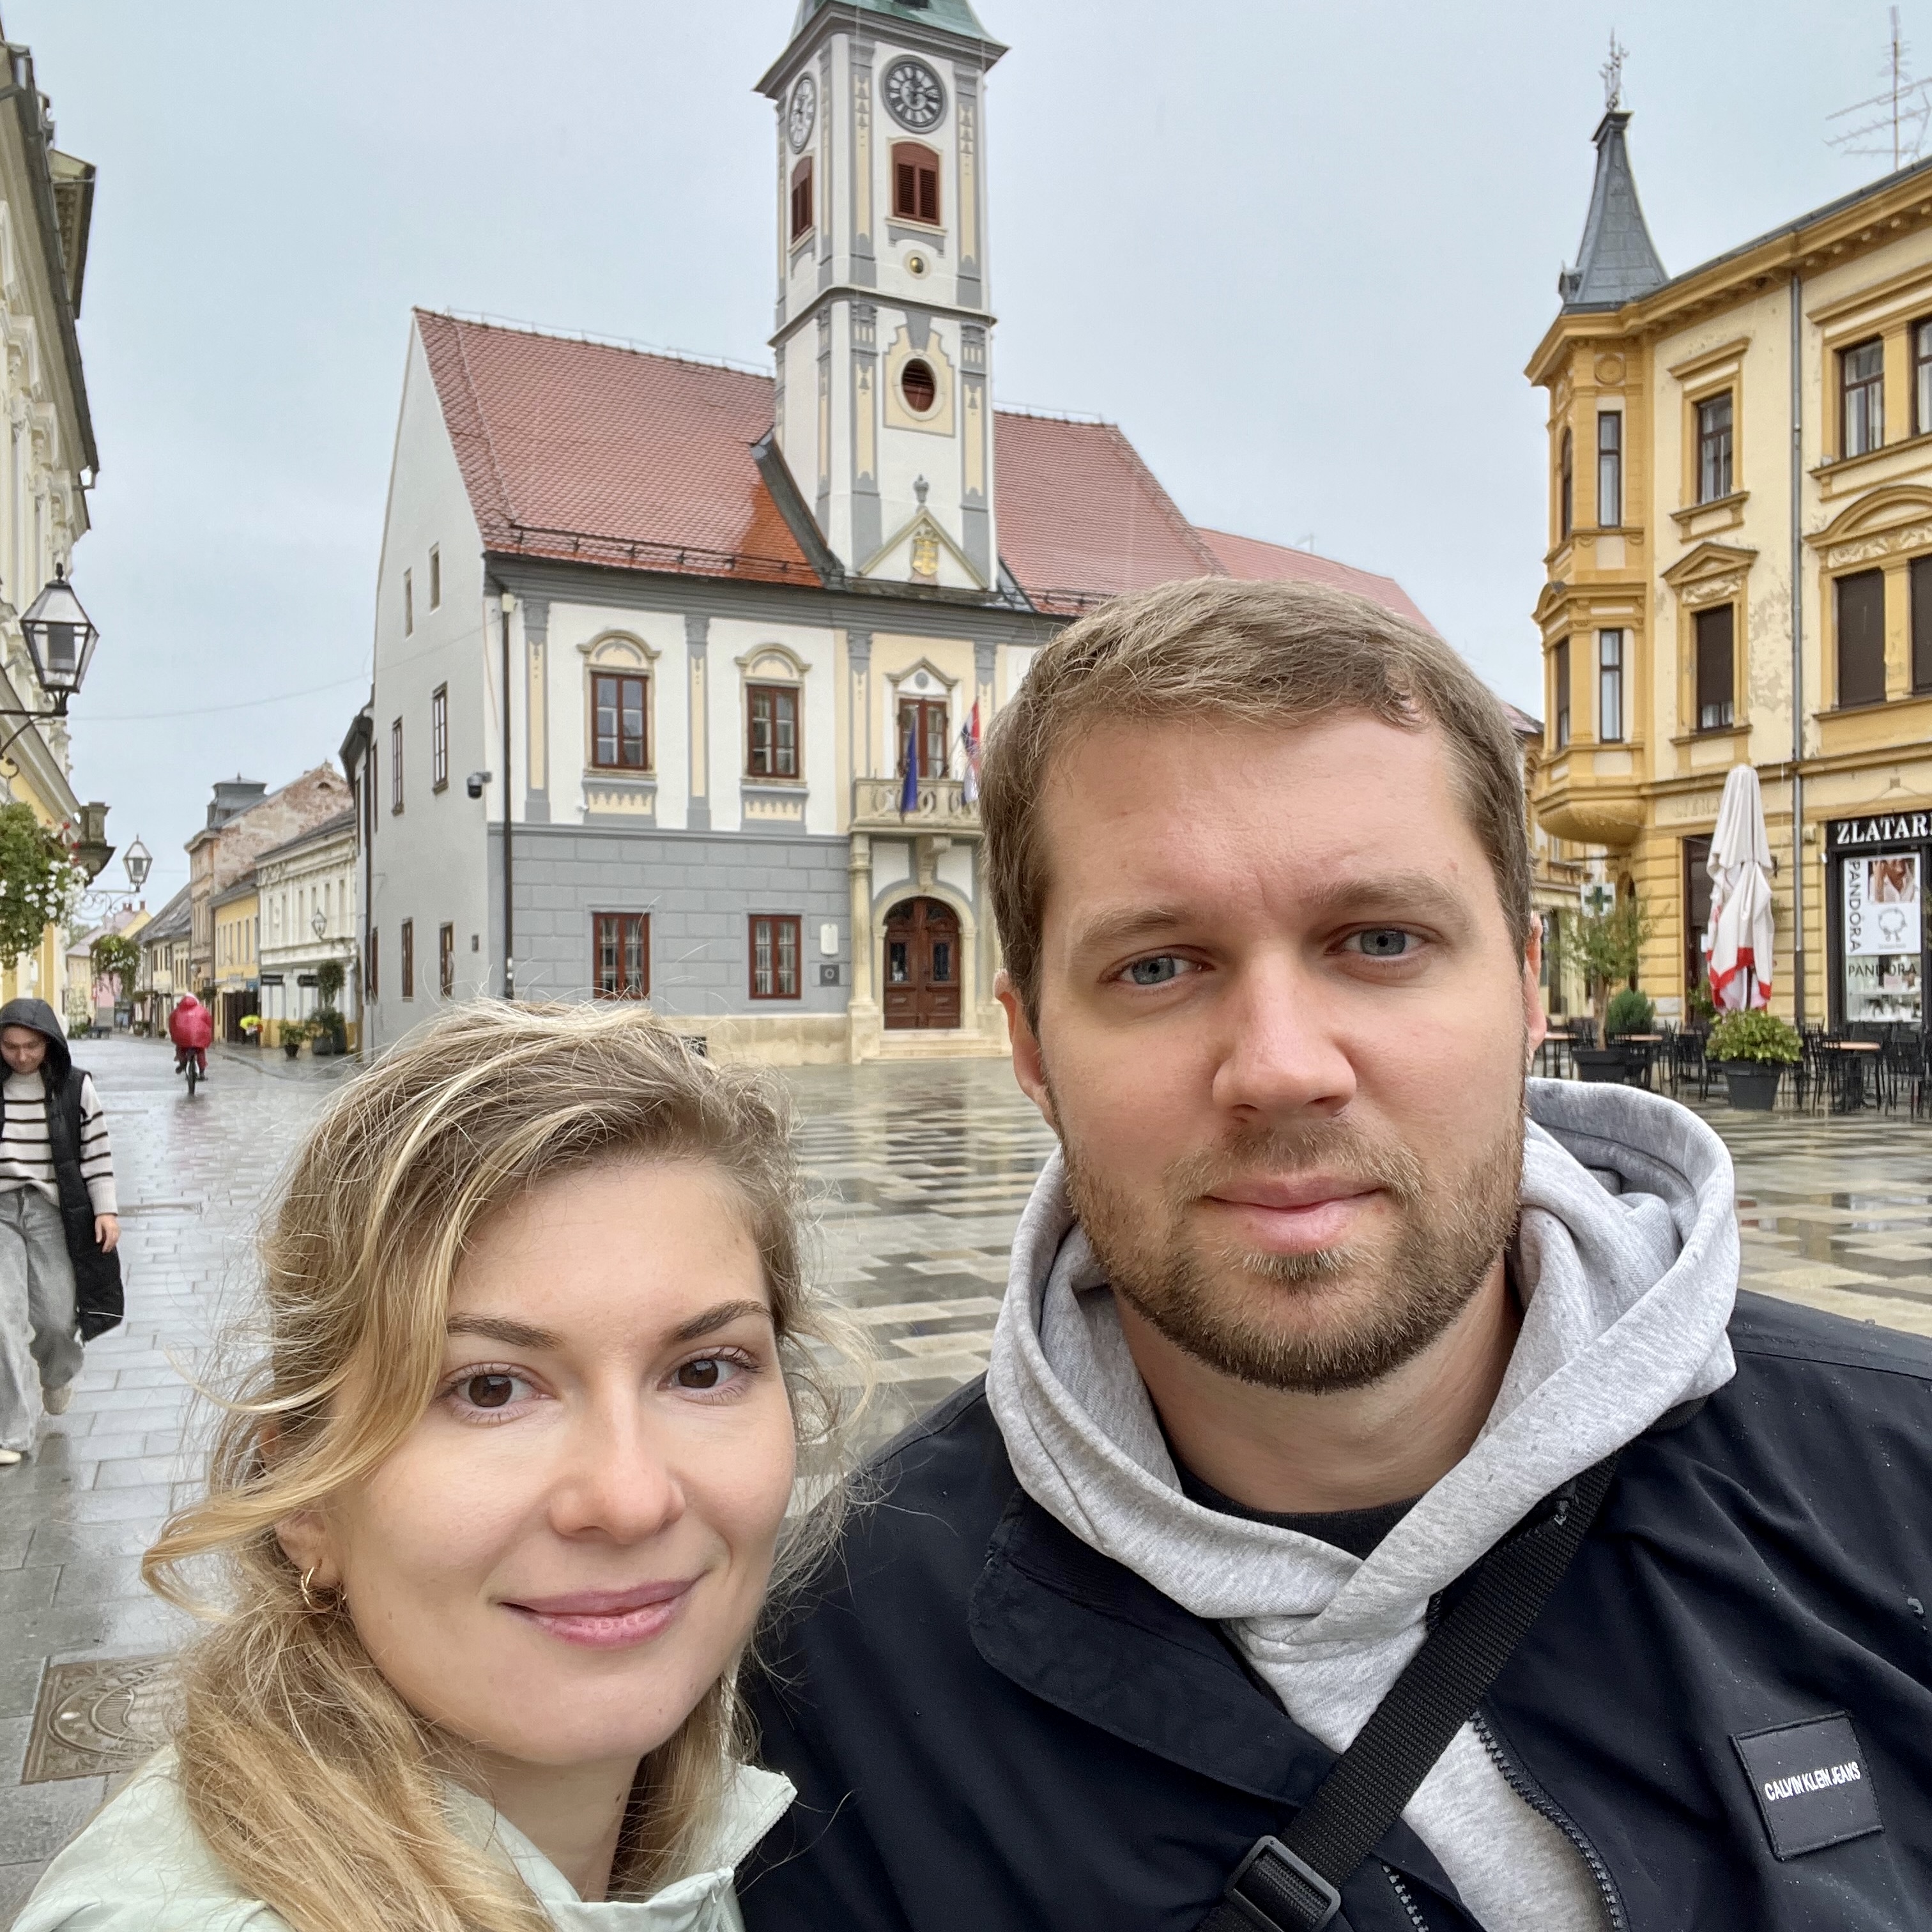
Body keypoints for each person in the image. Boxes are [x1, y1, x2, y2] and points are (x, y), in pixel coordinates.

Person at [740, 578, 1932, 1931]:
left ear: (1532, 989)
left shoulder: (1896, 1487)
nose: (1284, 1068)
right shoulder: (831, 1681)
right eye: (1156, 966)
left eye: (1380, 941)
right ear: (1026, 1046)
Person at [19, 1000, 864, 1931]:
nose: (629, 1499)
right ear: (306, 1494)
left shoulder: (726, 1825)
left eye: (704, 1371)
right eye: (491, 1389)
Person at [0, 999, 119, 1466]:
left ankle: (58, 1373)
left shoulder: (74, 1087)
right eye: (11, 1047)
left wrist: (106, 1211)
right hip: (2, 1210)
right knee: (2, 1317)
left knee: (53, 1317)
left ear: (48, 1043)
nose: (22, 1056)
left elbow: (97, 1152)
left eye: (31, 1046)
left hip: (52, 1209)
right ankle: (12, 1430)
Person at [168, 992, 213, 1078]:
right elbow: (209, 1022)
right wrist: (206, 1036)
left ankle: (183, 1063)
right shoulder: (202, 1010)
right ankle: (202, 1073)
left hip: (182, 1037)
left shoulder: (177, 1011)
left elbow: (171, 1023)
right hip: (198, 1037)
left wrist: (174, 1036)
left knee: (180, 1049)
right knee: (200, 1051)